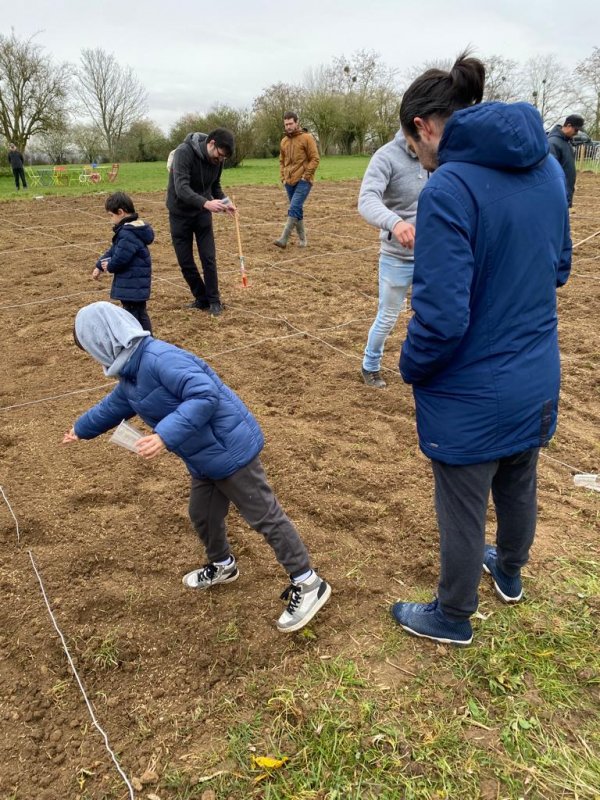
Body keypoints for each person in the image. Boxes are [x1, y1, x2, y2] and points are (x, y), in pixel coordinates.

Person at [389, 53, 572, 646]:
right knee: (520, 479)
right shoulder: (546, 166)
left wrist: (411, 366)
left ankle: (452, 615)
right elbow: (560, 266)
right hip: (537, 373)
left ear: (424, 127)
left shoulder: (449, 187)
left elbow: (441, 319)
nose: (415, 156)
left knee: (463, 506)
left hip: (471, 388)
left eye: (410, 141)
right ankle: (510, 573)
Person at [62, 302, 331, 633]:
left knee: (264, 516)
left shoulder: (159, 358)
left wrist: (163, 436)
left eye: (91, 348)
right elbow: (112, 407)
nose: (94, 356)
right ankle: (222, 565)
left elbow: (204, 396)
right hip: (203, 456)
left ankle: (307, 582)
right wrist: (81, 428)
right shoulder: (130, 374)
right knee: (201, 514)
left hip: (229, 448)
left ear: (104, 339)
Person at [358, 129, 426, 388]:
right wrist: (394, 223)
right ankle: (370, 365)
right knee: (388, 316)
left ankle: (425, 366)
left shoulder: (438, 153)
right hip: (396, 257)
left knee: (432, 314)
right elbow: (367, 200)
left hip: (431, 256)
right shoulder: (385, 157)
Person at [166, 128, 236, 317]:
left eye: (223, 158)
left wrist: (225, 202)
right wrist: (206, 203)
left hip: (203, 214)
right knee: (185, 261)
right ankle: (201, 297)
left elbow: (215, 185)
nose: (220, 160)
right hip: (179, 214)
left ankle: (214, 300)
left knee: (208, 258)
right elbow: (181, 187)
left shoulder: (218, 161)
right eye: (219, 155)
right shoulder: (183, 152)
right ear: (211, 144)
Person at [93, 192, 154, 333]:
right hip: (135, 283)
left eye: (111, 215)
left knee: (131, 316)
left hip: (131, 284)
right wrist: (99, 265)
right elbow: (114, 250)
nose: (111, 219)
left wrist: (109, 266)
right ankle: (148, 340)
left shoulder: (127, 233)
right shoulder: (133, 230)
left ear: (120, 212)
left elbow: (120, 258)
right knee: (140, 312)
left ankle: (137, 341)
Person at [274, 112, 320, 249]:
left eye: (290, 123)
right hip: (289, 181)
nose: (288, 126)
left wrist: (306, 175)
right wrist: (283, 177)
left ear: (297, 122)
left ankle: (284, 238)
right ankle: (303, 241)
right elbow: (282, 161)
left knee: (293, 207)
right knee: (297, 209)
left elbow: (315, 158)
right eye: (286, 124)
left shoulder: (307, 138)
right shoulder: (284, 141)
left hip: (304, 180)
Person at [547, 114, 585, 207]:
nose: (576, 133)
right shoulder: (553, 143)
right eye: (576, 130)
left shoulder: (566, 142)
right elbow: (551, 172)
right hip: (557, 195)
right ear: (568, 126)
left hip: (564, 192)